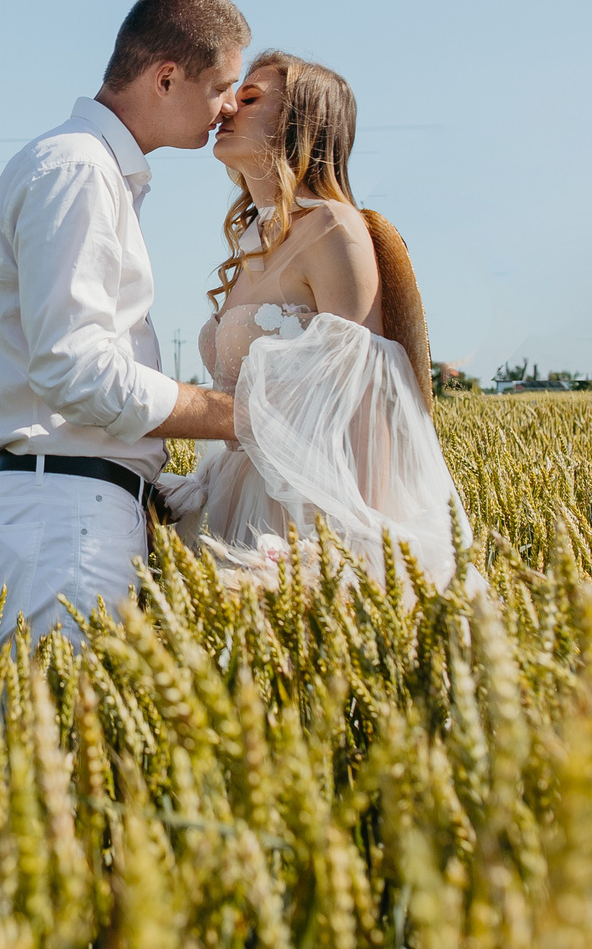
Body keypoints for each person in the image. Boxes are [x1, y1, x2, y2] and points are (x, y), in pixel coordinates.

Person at [0, 0, 248, 640]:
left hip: (74, 509)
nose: (229, 107)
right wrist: (241, 417)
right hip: (63, 522)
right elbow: (76, 369)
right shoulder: (79, 170)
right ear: (167, 78)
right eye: (223, 86)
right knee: (59, 735)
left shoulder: (89, 168)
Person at [153, 50, 472, 595]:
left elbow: (372, 403)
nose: (227, 107)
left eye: (250, 99)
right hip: (240, 499)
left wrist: (356, 545)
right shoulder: (253, 243)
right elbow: (243, 400)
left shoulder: (333, 229)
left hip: (307, 515)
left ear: (299, 123)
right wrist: (199, 485)